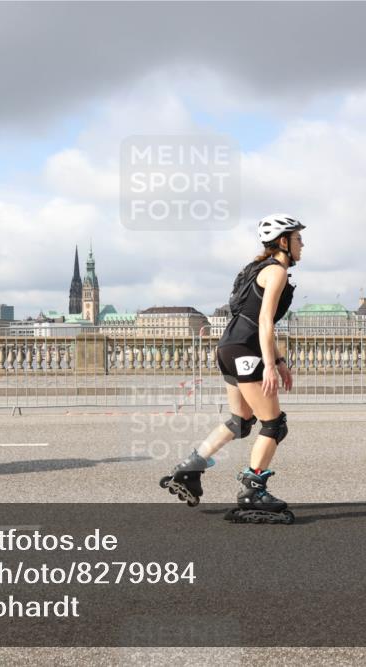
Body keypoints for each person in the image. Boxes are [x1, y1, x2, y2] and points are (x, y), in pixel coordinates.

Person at [160, 214, 303, 523]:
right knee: (274, 424)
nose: (302, 244)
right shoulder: (276, 271)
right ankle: (253, 489)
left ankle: (190, 468)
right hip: (246, 350)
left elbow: (252, 316)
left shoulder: (256, 269)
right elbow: (264, 321)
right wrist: (269, 365)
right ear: (283, 241)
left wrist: (278, 360)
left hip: (228, 347)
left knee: (241, 421)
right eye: (298, 238)